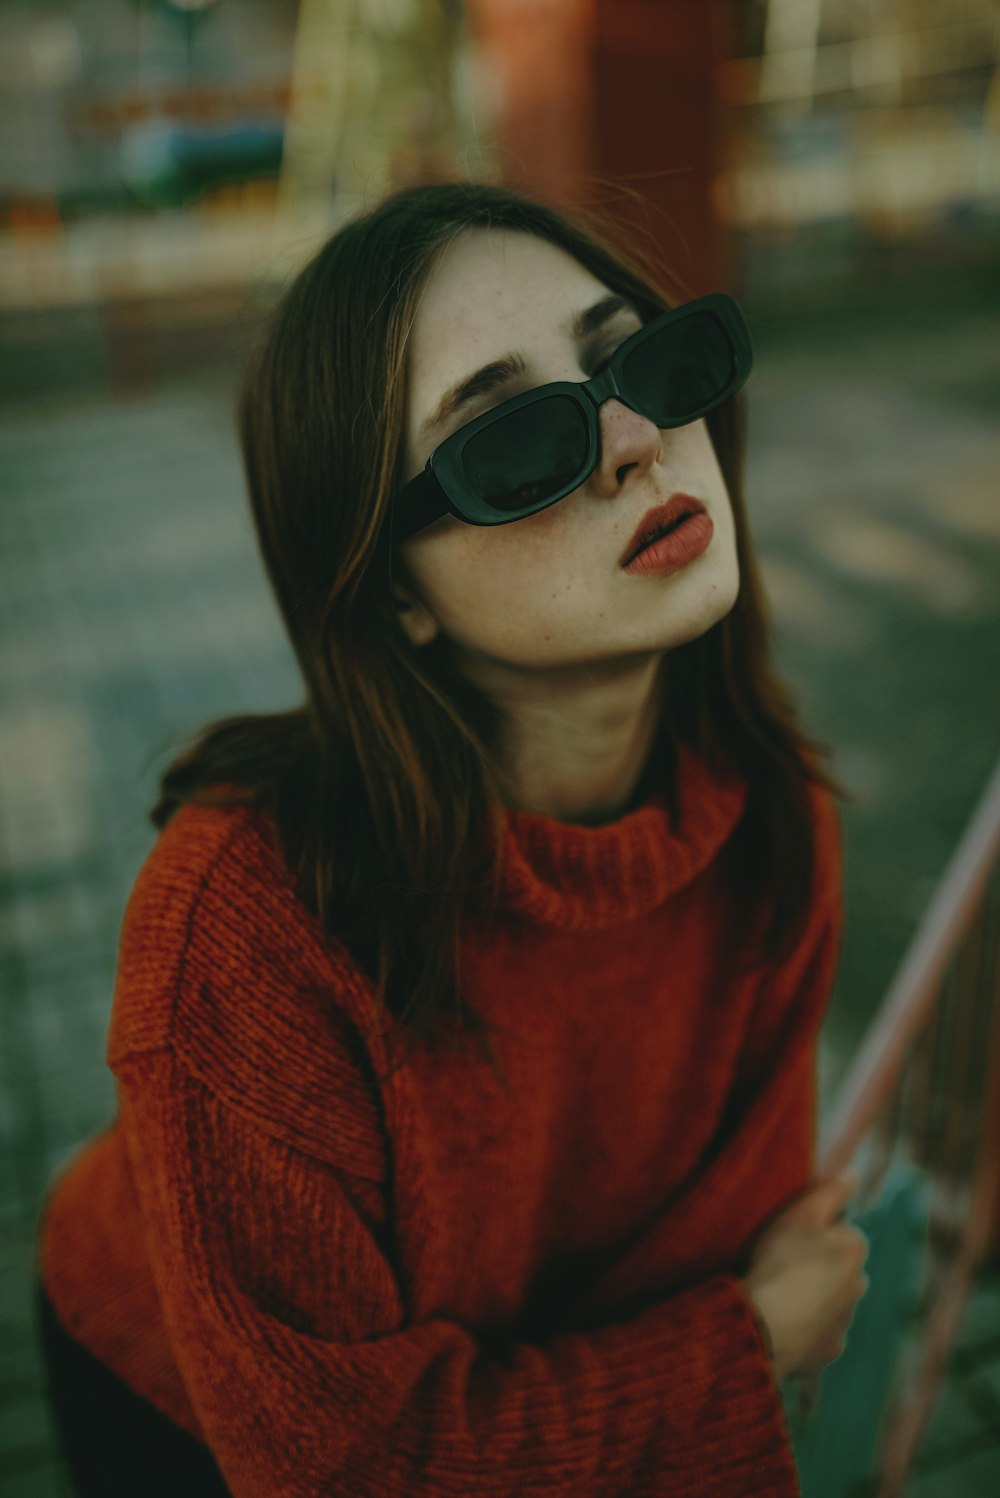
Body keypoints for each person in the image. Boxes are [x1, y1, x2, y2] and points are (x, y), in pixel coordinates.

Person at [35, 181, 868, 1496]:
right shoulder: (242, 931)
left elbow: (721, 1248)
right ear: (389, 594)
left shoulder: (768, 816)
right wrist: (745, 1348)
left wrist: (718, 1348)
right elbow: (354, 1461)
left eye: (638, 358)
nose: (639, 439)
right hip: (183, 1394)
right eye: (514, 442)